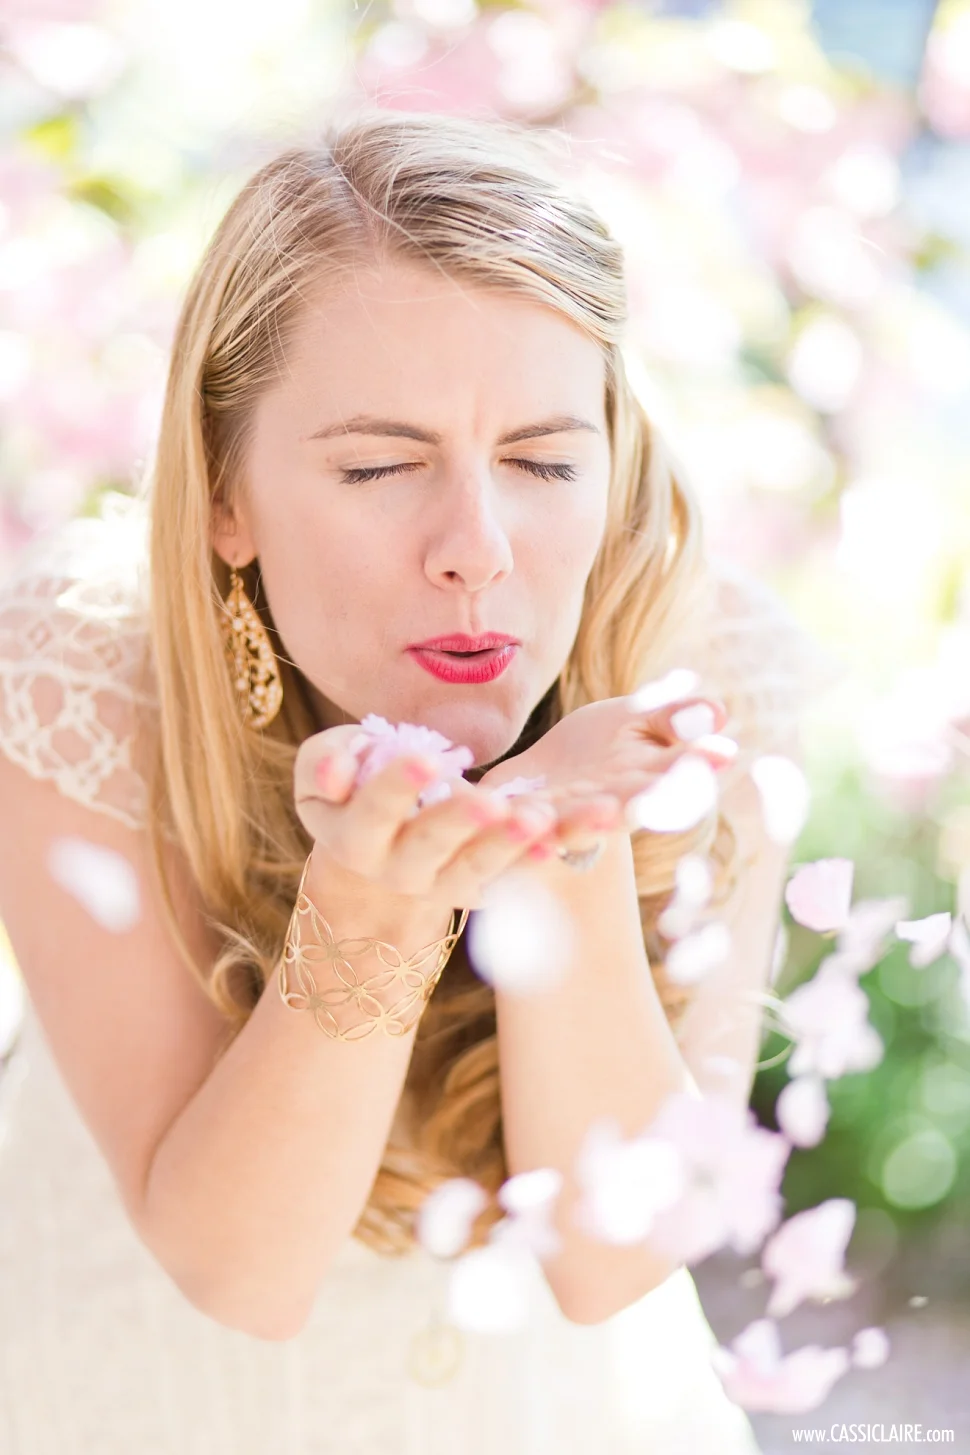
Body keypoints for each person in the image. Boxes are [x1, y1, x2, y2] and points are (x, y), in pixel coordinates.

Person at [0, 109, 842, 1453]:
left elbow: (611, 1254)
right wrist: (370, 901)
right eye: (382, 466)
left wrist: (555, 839)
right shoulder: (79, 675)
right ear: (226, 492)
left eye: (544, 460)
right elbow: (242, 1269)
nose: (477, 548)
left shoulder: (712, 672)